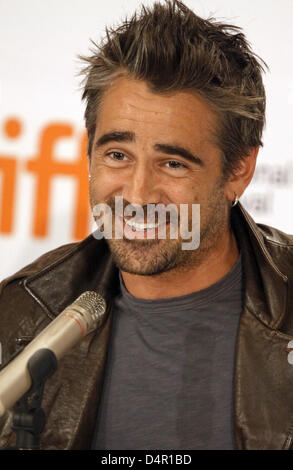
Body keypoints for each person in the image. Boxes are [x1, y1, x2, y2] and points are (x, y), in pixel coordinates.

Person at [0, 0, 293, 451]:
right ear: (90, 152)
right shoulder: (23, 310)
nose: (137, 196)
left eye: (173, 164)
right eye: (117, 155)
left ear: (239, 170)